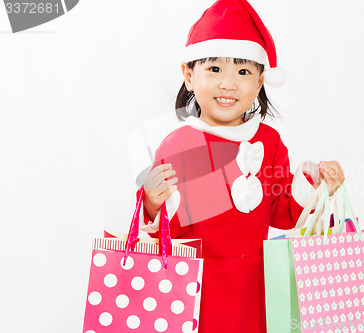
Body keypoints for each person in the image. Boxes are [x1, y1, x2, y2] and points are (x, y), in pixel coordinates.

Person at [138, 0, 345, 332]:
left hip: (257, 288)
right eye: (215, 69)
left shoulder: (270, 141)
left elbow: (281, 212)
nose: (228, 84)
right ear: (189, 76)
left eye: (243, 71)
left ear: (261, 81)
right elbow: (168, 233)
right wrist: (151, 201)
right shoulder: (179, 145)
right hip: (194, 290)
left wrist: (315, 182)